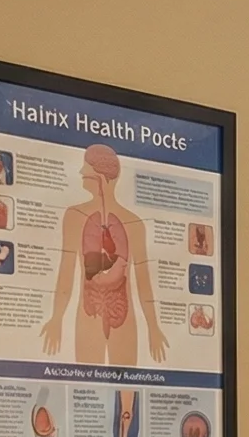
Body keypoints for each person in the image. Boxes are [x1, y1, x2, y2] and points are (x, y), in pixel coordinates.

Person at [41, 144, 169, 366]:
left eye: (85, 168)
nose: (81, 172)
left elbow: (143, 281)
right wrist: (57, 317)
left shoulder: (134, 223)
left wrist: (153, 326)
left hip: (122, 313)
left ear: (99, 177)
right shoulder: (75, 216)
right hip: (89, 311)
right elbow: (66, 272)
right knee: (88, 382)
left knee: (126, 380)